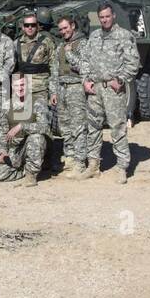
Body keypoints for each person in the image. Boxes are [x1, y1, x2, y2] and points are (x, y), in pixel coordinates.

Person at [82, 2, 140, 183]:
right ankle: (93, 165)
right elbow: (85, 59)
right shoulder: (94, 36)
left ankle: (122, 167)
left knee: (117, 127)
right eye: (101, 17)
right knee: (93, 127)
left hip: (113, 90)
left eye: (107, 16)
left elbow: (133, 63)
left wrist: (121, 79)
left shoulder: (123, 36)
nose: (105, 20)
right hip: (95, 89)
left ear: (113, 16)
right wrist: (85, 80)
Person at [0, 74, 50, 187]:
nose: (20, 88)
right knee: (0, 175)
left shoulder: (38, 102)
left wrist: (22, 126)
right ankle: (24, 170)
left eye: (22, 85)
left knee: (36, 137)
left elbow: (44, 126)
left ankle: (31, 174)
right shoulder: (6, 105)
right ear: (12, 86)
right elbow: (2, 131)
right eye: (16, 85)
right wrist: (3, 152)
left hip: (32, 146)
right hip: (16, 148)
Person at [55, 15, 89, 177]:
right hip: (62, 88)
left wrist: (70, 55)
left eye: (66, 28)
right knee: (65, 127)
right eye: (61, 29)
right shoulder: (60, 46)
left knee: (78, 126)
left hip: (76, 88)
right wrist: (53, 91)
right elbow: (55, 70)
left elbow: (85, 67)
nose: (63, 31)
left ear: (73, 26)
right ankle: (69, 158)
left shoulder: (82, 43)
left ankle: (80, 162)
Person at [13, 9, 60, 107]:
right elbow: (12, 68)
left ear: (37, 26)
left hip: (41, 90)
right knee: (22, 120)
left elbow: (54, 67)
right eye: (27, 25)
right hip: (22, 91)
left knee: (41, 121)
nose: (30, 28)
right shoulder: (16, 44)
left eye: (33, 25)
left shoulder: (47, 42)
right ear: (22, 27)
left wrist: (53, 92)